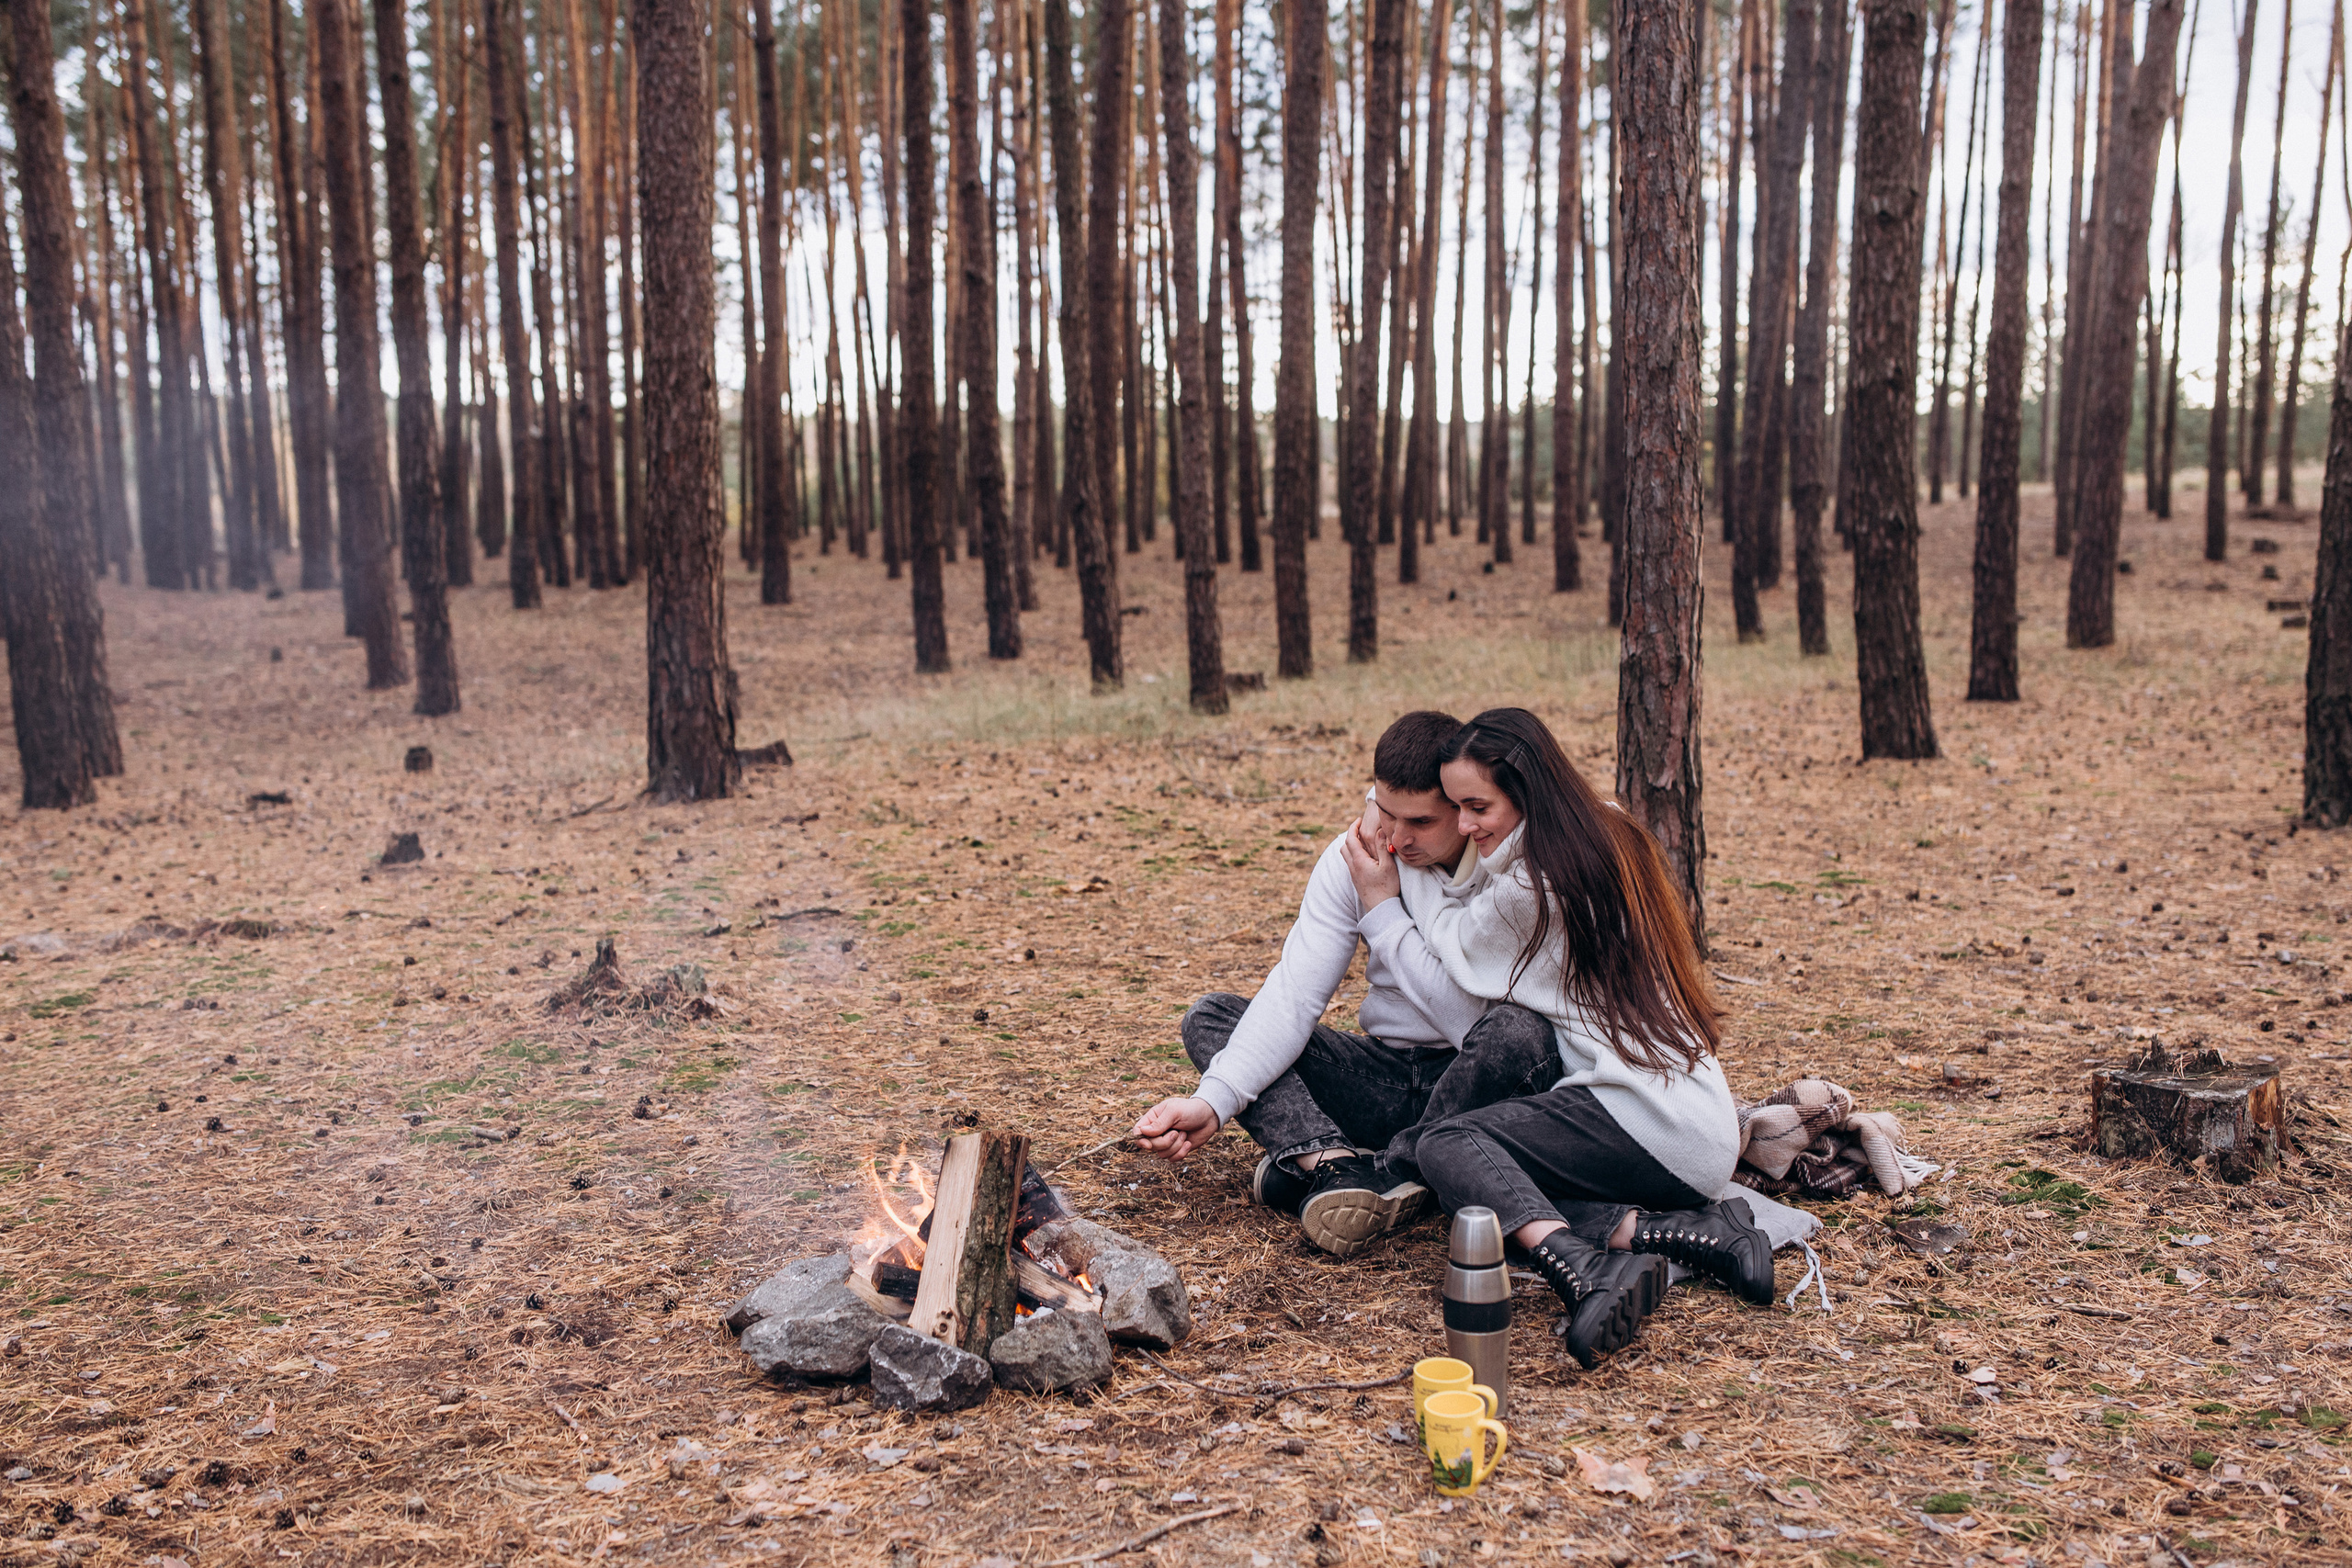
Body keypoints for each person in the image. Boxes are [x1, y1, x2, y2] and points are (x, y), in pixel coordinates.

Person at [1129, 711, 1645, 1338]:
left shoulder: (1508, 866)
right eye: (1383, 809)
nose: (1396, 838)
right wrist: (1212, 1102)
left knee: (1516, 1032)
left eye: (1421, 821)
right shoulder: (1358, 852)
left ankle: (1392, 1175)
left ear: (1461, 806)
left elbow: (1472, 1024)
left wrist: (1383, 909)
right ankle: (1337, 1168)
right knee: (1215, 1017)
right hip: (1381, 1073)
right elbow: (1295, 994)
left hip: (1481, 1084)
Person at [1339, 708, 1773, 1368]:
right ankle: (1685, 1233)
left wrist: (1383, 895)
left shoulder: (1532, 886)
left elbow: (1454, 946)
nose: (1463, 825)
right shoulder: (1605, 831)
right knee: (1496, 1176)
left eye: (1476, 806)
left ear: (1527, 790)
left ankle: (1583, 1268)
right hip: (1694, 1118)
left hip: (1643, 1116)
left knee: (1450, 1144)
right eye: (1454, 807)